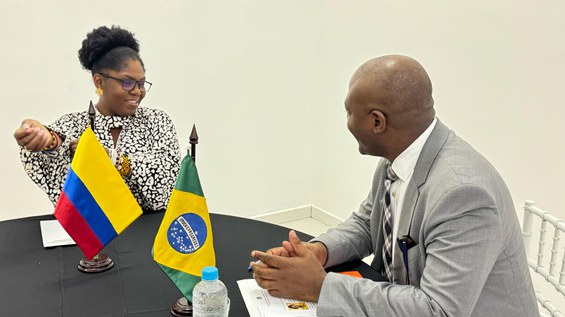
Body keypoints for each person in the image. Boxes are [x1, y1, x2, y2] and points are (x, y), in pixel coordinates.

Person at [250, 55, 539, 316]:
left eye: (349, 113)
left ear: (377, 122)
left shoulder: (463, 194)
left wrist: (320, 286)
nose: (347, 122)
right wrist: (319, 252)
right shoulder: (400, 156)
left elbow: (438, 310)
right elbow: (367, 223)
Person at [13, 26, 181, 212]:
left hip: (147, 234)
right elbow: (59, 155)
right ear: (99, 82)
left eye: (141, 83)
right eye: (127, 82)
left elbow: (169, 177)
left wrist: (115, 160)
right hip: (92, 236)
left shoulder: (156, 121)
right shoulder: (73, 124)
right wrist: (47, 140)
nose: (138, 91)